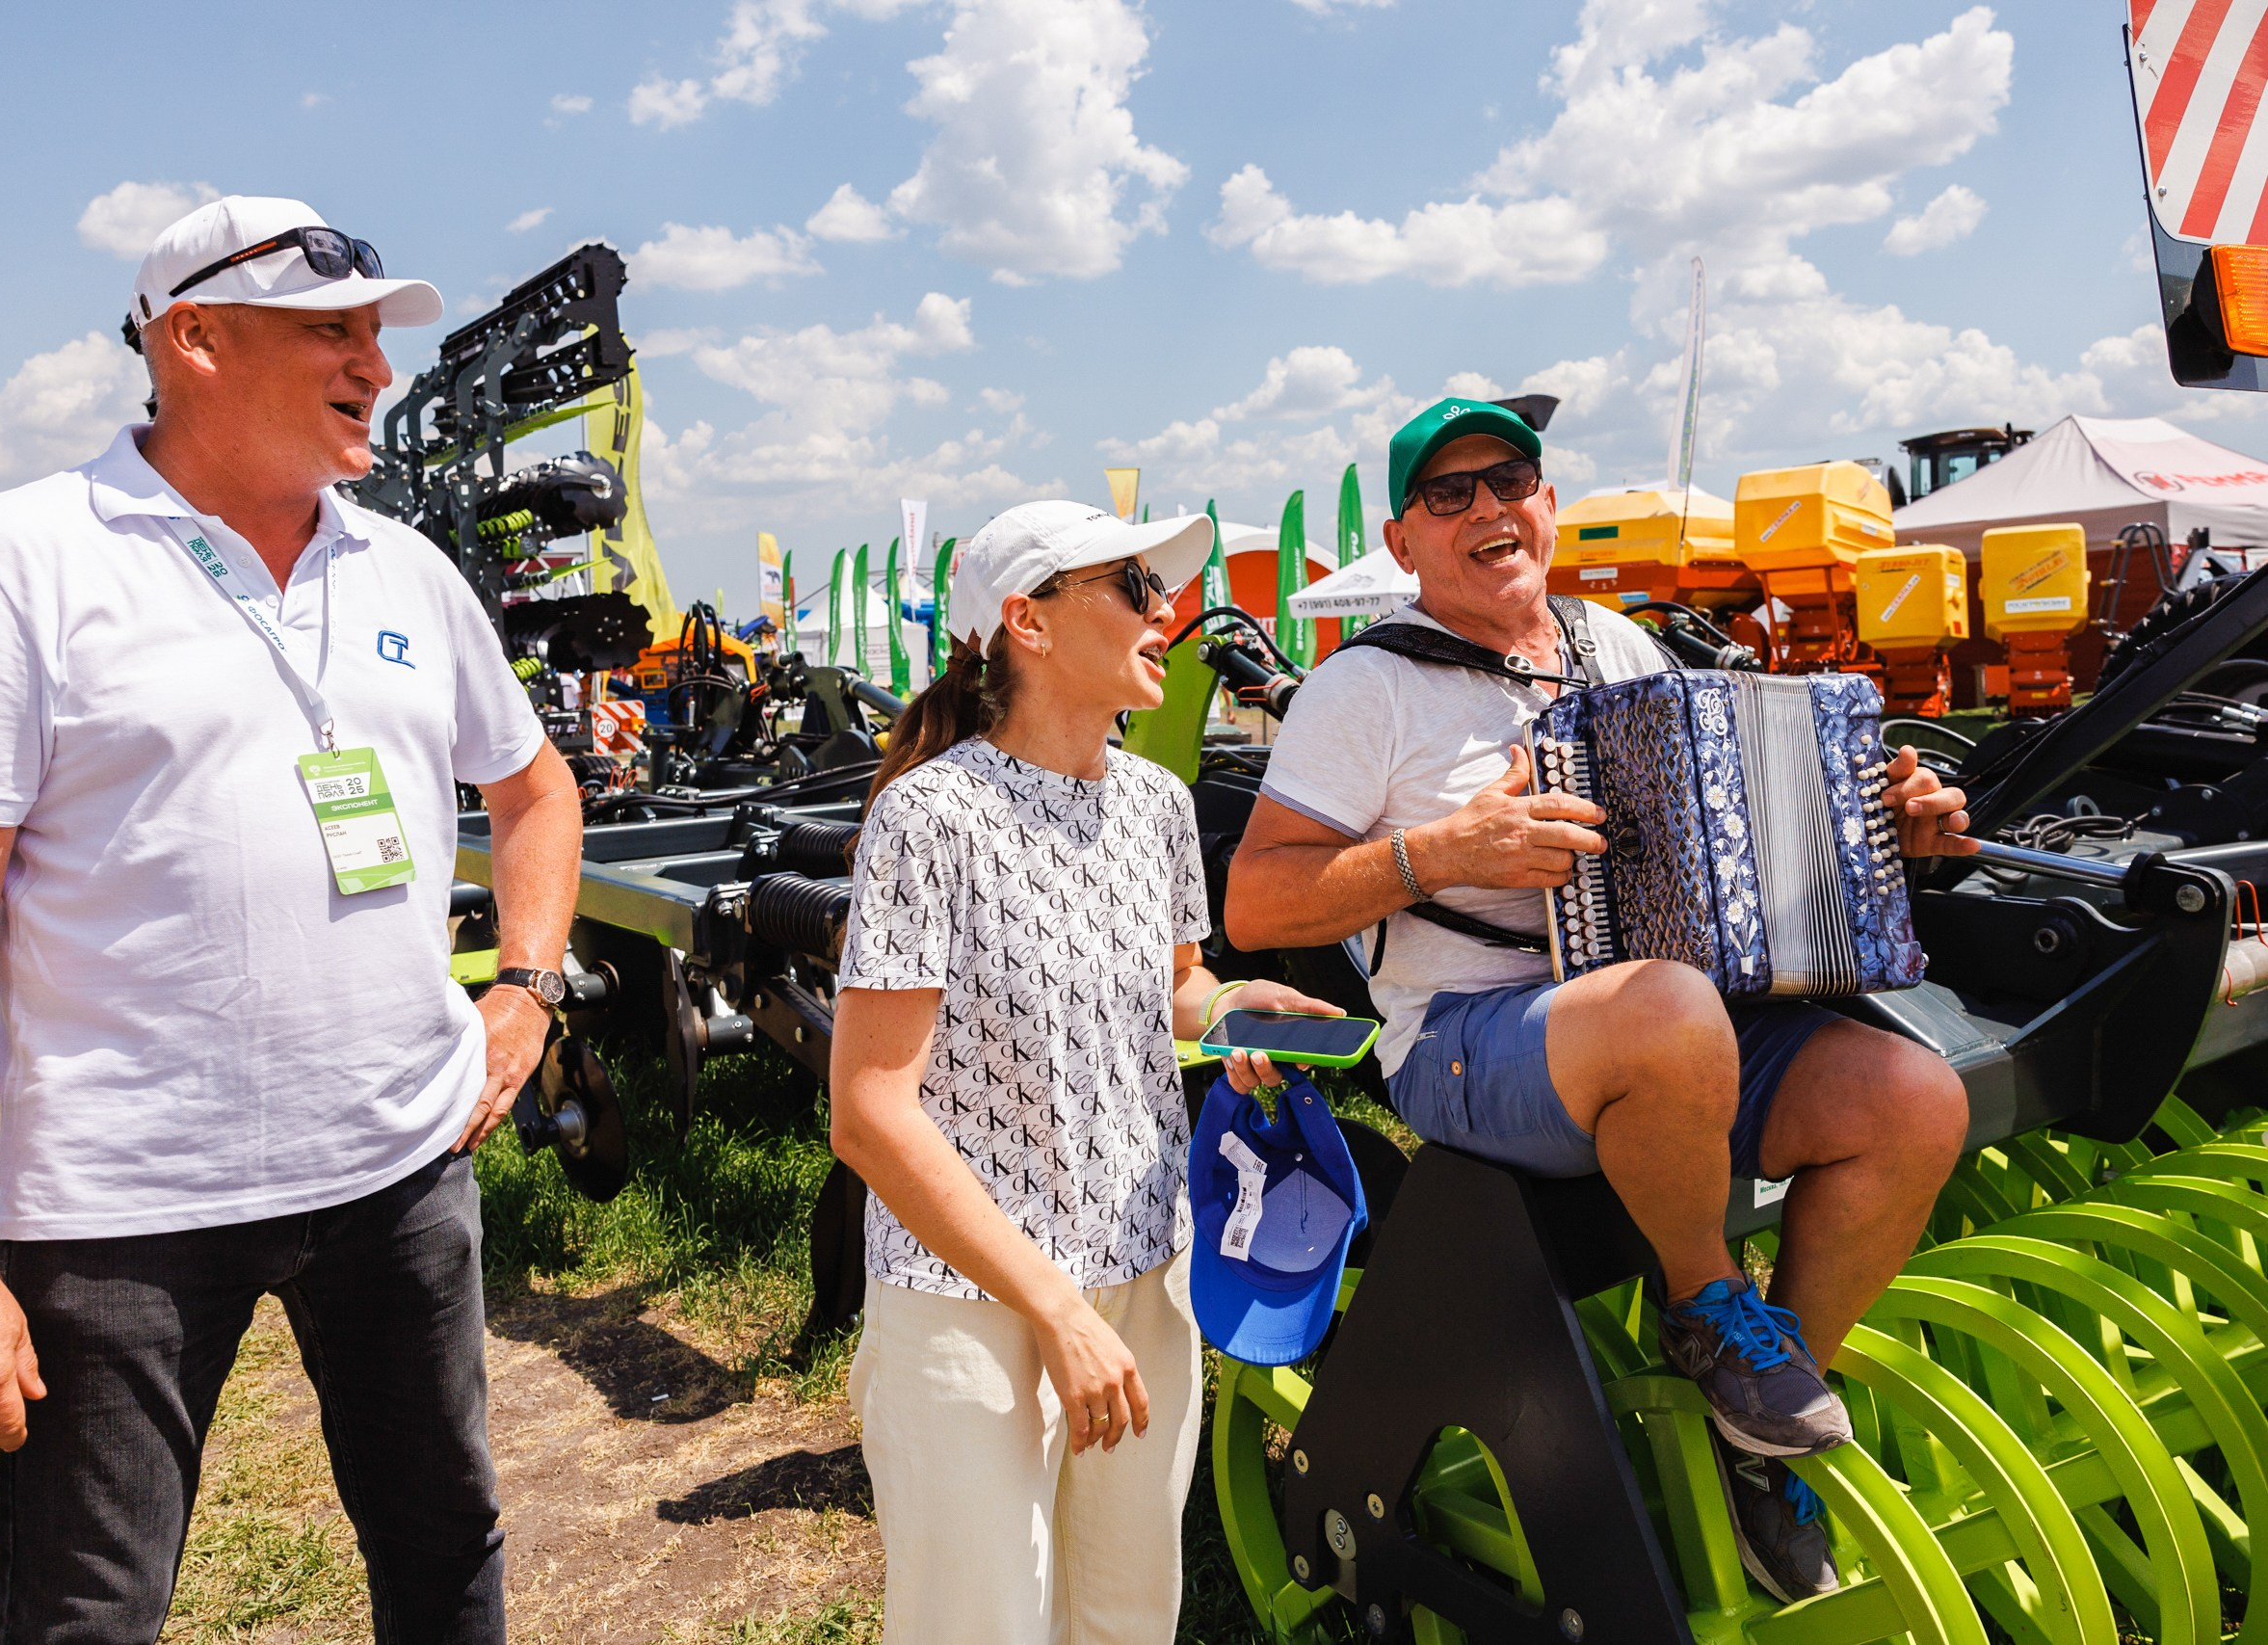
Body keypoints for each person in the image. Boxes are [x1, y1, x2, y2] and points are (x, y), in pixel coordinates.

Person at [0, 196, 582, 1643]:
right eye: (334, 331)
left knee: (446, 1545)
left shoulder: (406, 570)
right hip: (127, 1206)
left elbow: (537, 786)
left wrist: (529, 983)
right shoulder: (19, 560)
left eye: (379, 333)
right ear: (191, 336)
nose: (378, 364)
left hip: (400, 1163)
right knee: (87, 1609)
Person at [1222, 397, 1975, 1605]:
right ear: (1404, 544)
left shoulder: (1617, 648)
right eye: (1447, 494)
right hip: (1466, 1042)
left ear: (1549, 503)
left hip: (1656, 1028)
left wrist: (1884, 837)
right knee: (1668, 1007)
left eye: (1507, 479)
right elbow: (1255, 902)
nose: (1487, 508)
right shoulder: (1364, 689)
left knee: (1912, 1096)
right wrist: (1443, 853)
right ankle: (1706, 1309)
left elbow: (1722, 845)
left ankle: (1754, 1439)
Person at [830, 500, 1341, 1645]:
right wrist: (1053, 1308)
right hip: (970, 1304)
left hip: (1140, 1282)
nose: (1168, 616)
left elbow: (1173, 992)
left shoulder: (1157, 807)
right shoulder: (931, 817)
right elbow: (868, 1113)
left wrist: (1233, 1010)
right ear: (1029, 622)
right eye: (1135, 589)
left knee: (1126, 1623)